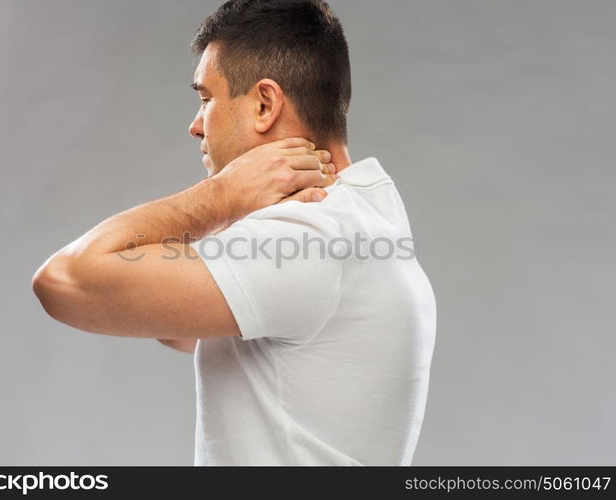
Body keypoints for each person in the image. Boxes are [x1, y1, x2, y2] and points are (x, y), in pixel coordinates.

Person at [32, 0, 436, 466]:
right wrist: (239, 205)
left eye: (207, 98)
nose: (196, 125)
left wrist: (221, 197)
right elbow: (178, 328)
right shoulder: (366, 211)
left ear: (265, 104)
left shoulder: (309, 233)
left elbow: (64, 282)